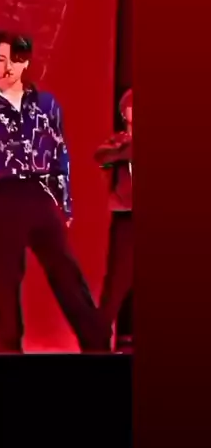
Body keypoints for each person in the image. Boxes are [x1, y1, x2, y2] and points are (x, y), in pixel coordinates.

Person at [0, 30, 111, 354]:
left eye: (15, 60)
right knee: (6, 273)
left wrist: (65, 202)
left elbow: (59, 154)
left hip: (39, 192)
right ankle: (9, 343)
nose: (7, 67)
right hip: (1, 194)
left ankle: (95, 342)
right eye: (1, 59)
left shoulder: (46, 104)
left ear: (25, 62)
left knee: (64, 269)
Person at [95, 88, 133, 353]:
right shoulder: (118, 142)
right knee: (117, 281)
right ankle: (98, 341)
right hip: (126, 216)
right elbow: (103, 159)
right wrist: (125, 151)